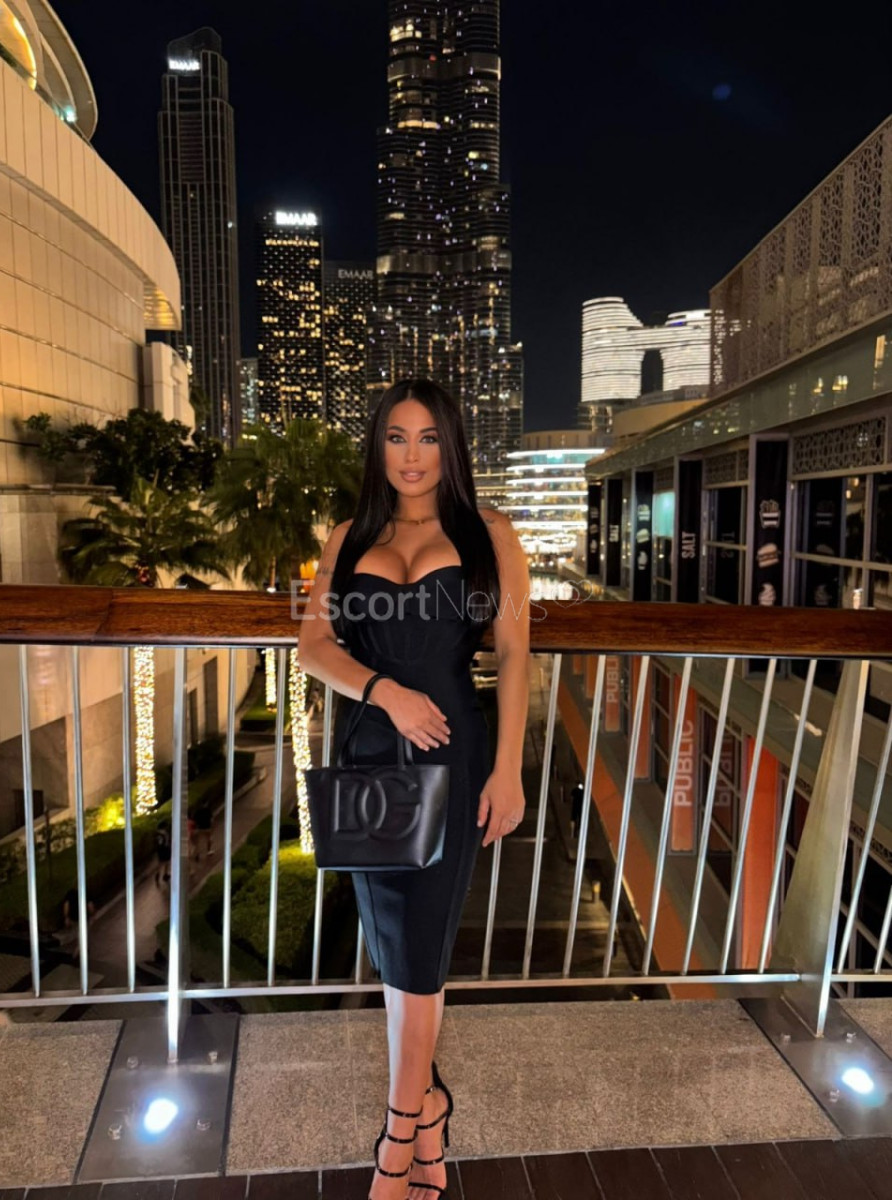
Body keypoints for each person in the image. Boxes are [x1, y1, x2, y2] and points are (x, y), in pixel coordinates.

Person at [298, 378, 530, 1200]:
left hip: (453, 757)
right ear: (378, 446)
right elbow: (313, 645)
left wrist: (509, 768)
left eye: (428, 438)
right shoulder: (348, 535)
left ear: (451, 446)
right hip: (369, 756)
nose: (412, 455)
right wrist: (383, 692)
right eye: (396, 437)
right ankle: (427, 1111)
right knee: (396, 949)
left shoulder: (489, 533)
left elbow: (515, 655)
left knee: (422, 949)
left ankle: (399, 1136)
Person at [155, 819, 171, 884]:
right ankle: (165, 874)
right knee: (167, 862)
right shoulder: (164, 833)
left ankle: (158, 874)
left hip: (160, 850)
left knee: (161, 863)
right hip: (165, 849)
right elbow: (166, 841)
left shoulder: (157, 833)